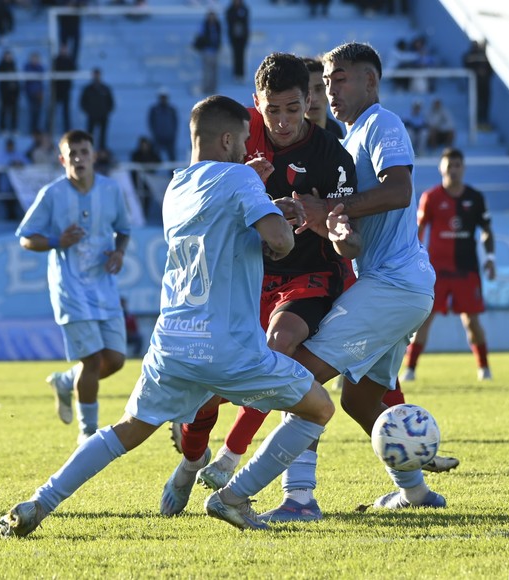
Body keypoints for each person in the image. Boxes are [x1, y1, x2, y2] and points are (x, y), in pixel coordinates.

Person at [0, 95, 336, 537]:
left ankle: (39, 501)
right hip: (229, 346)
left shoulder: (175, 187)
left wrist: (251, 188)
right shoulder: (239, 180)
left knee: (127, 430)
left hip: (173, 341)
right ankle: (232, 497)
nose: (248, 149)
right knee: (318, 408)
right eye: (244, 140)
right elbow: (280, 242)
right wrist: (275, 208)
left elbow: (220, 217)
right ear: (229, 139)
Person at [164, 52, 361, 524]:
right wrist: (251, 192)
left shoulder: (333, 157)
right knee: (207, 389)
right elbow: (199, 190)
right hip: (246, 277)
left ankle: (232, 457)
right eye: (273, 110)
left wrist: (322, 224)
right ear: (258, 103)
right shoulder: (237, 134)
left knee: (280, 345)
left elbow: (347, 239)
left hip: (306, 278)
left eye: (293, 109)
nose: (283, 120)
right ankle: (191, 462)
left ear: (309, 100)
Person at [289, 42, 450, 511]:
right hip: (397, 286)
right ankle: (416, 493)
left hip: (393, 284)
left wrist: (330, 209)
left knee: (298, 376)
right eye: (326, 80)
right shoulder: (349, 138)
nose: (330, 90)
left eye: (339, 79)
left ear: (370, 81)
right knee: (359, 402)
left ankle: (294, 498)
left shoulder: (382, 123)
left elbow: (399, 191)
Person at [18, 130, 131, 443]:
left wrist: (119, 252)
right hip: (70, 289)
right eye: (73, 153)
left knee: (116, 360)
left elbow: (123, 229)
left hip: (104, 286)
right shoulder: (52, 194)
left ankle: (67, 381)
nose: (79, 158)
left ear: (94, 155)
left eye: (84, 152)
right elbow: (27, 237)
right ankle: (88, 434)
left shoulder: (110, 191)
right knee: (92, 360)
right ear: (62, 159)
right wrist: (57, 241)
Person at [402, 148, 495, 382]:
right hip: (436, 272)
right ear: (441, 168)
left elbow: (486, 231)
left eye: (457, 165)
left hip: (467, 270)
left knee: (471, 321)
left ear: (463, 168)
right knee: (424, 320)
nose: (453, 170)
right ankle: (410, 370)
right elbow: (419, 231)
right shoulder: (431, 198)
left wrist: (490, 259)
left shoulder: (475, 198)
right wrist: (414, 260)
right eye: (449, 165)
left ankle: (484, 369)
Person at [302, 57, 343, 138]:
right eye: (305, 91)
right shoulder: (290, 138)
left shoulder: (335, 131)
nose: (313, 99)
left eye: (319, 89)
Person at [79, 68, 115, 152]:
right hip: (92, 116)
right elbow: (82, 102)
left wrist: (106, 111)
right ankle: (88, 149)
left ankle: (102, 151)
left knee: (103, 135)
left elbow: (111, 102)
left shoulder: (105, 88)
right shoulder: (87, 89)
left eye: (98, 75)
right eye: (95, 75)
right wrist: (89, 111)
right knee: (89, 134)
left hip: (103, 116)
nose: (96, 77)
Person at [0, 137, 27, 220]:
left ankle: (15, 215)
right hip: (6, 180)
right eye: (9, 145)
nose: (10, 147)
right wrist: (9, 164)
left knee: (16, 197)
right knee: (7, 197)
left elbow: (27, 163)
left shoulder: (18, 154)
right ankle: (9, 215)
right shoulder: (1, 154)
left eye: (11, 145)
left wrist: (20, 163)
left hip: (18, 181)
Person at [463, 40, 492, 128]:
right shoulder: (468, 56)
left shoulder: (483, 57)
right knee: (475, 104)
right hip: (474, 86)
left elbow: (490, 71)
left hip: (485, 85)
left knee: (485, 104)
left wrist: (485, 73)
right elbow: (467, 68)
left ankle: (484, 121)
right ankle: (475, 122)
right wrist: (477, 72)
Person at [147, 89, 179, 162]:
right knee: (156, 157)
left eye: (164, 97)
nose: (163, 99)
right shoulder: (154, 109)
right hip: (157, 137)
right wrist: (154, 133)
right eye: (162, 97)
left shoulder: (171, 109)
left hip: (169, 137)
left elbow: (175, 123)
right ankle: (155, 172)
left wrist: (173, 134)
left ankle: (173, 172)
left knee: (172, 157)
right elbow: (151, 122)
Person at [194, 10, 221, 95]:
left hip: (214, 50)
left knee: (214, 71)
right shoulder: (204, 25)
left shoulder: (217, 25)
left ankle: (213, 88)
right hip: (207, 50)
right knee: (207, 71)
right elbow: (200, 36)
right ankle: (206, 88)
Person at [51, 43, 76, 135]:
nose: (64, 51)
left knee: (66, 111)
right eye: (62, 49)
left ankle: (67, 129)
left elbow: (74, 69)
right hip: (57, 89)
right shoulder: (56, 60)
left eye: (65, 49)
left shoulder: (70, 60)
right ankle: (48, 128)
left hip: (66, 89)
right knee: (53, 110)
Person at [225, 0, 249, 82]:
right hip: (234, 37)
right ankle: (235, 74)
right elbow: (230, 19)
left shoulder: (244, 9)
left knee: (241, 56)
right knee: (235, 55)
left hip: (242, 37)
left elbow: (245, 20)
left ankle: (241, 74)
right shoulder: (230, 10)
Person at [0, 49, 20, 134]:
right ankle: (2, 128)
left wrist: (16, 90)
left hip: (13, 93)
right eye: (6, 56)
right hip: (4, 93)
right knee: (4, 110)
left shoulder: (14, 66)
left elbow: (16, 80)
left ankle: (14, 128)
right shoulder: (1, 66)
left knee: (14, 111)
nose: (8, 58)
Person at [23, 52, 46, 135]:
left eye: (36, 59)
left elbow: (41, 76)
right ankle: (32, 130)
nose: (34, 60)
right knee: (32, 112)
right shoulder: (27, 67)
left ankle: (37, 130)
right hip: (30, 93)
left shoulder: (40, 67)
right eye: (33, 58)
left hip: (39, 93)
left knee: (38, 112)